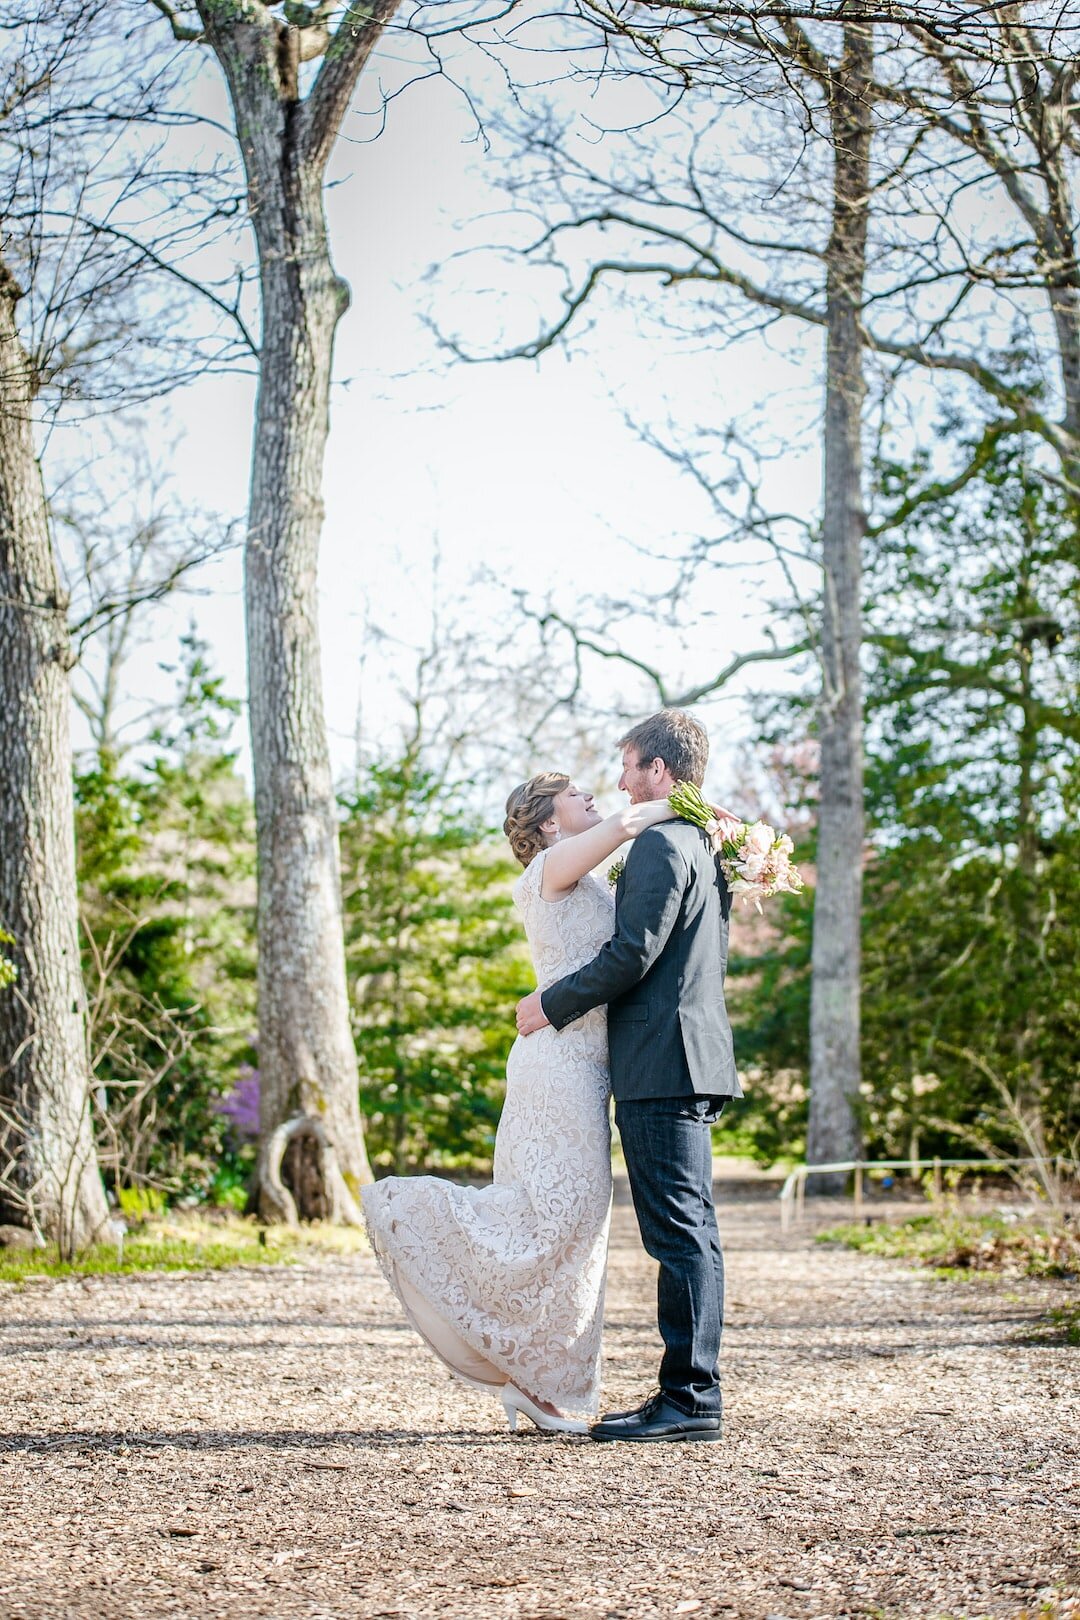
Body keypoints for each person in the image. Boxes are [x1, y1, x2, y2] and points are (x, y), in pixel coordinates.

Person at [361, 773, 676, 1434]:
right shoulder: (546, 872)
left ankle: (540, 1381)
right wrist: (682, 802)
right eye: (575, 792)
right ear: (549, 824)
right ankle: (411, 1210)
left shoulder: (589, 882)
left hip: (587, 1072)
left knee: (574, 1225)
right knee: (562, 1218)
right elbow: (623, 826)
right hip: (556, 1068)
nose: (591, 794)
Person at [516, 709, 741, 1443]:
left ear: (660, 772)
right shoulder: (701, 841)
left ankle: (689, 1400)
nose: (618, 780)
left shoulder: (659, 846)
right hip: (691, 1052)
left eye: (629, 765)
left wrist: (548, 1005)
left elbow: (631, 955)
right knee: (689, 1229)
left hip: (659, 1060)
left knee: (677, 1234)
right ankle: (688, 1395)